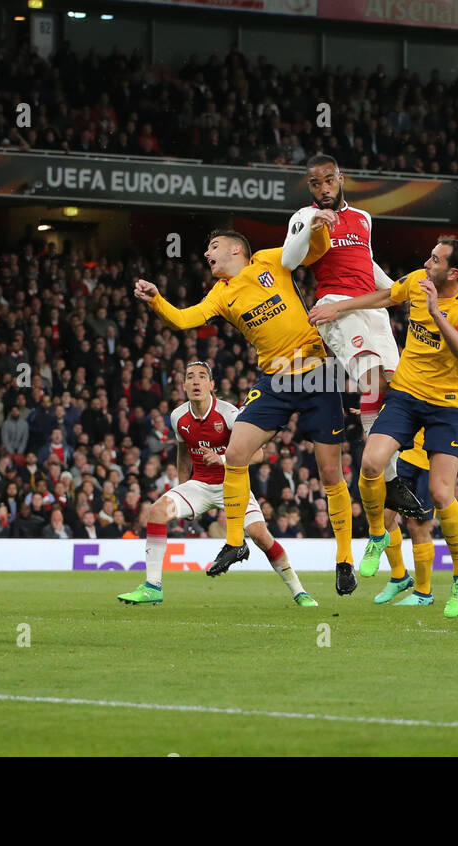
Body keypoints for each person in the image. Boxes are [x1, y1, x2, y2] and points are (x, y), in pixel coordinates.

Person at [135, 228, 359, 596]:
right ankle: (235, 541)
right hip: (274, 379)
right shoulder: (220, 295)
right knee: (236, 453)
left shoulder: (271, 259)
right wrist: (156, 300)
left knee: (331, 471)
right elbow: (183, 319)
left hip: (317, 372)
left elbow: (314, 249)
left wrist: (317, 226)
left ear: (237, 249)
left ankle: (345, 558)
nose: (207, 254)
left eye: (214, 246)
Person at [311, 237, 458, 618]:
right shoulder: (418, 281)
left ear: (453, 273)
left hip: (447, 405)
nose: (427, 262)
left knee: (441, 495)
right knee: (370, 464)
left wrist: (437, 311)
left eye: (435, 260)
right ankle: (376, 533)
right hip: (406, 396)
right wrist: (339, 306)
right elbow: (385, 296)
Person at [280, 154, 421, 519]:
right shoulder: (302, 216)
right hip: (334, 305)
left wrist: (399, 292)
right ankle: (387, 481)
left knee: (397, 387)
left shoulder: (363, 218)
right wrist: (312, 224)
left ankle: (405, 462)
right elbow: (289, 261)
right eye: (315, 183)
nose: (323, 189)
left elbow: (366, 262)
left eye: (328, 180)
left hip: (370, 306)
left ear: (342, 178)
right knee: (373, 381)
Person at [117, 361, 316, 607]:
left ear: (211, 385)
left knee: (260, 536)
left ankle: (299, 591)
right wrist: (182, 487)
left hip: (232, 485)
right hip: (199, 485)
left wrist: (223, 458)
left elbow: (258, 454)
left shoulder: (229, 413)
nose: (196, 381)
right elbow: (183, 454)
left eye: (202, 377)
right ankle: (152, 587)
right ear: (183, 385)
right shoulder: (178, 416)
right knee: (156, 511)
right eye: (190, 377)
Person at [372, 376, 458, 607]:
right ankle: (399, 575)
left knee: (417, 527)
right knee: (382, 518)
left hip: (430, 463)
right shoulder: (418, 366)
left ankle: (423, 592)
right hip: (404, 457)